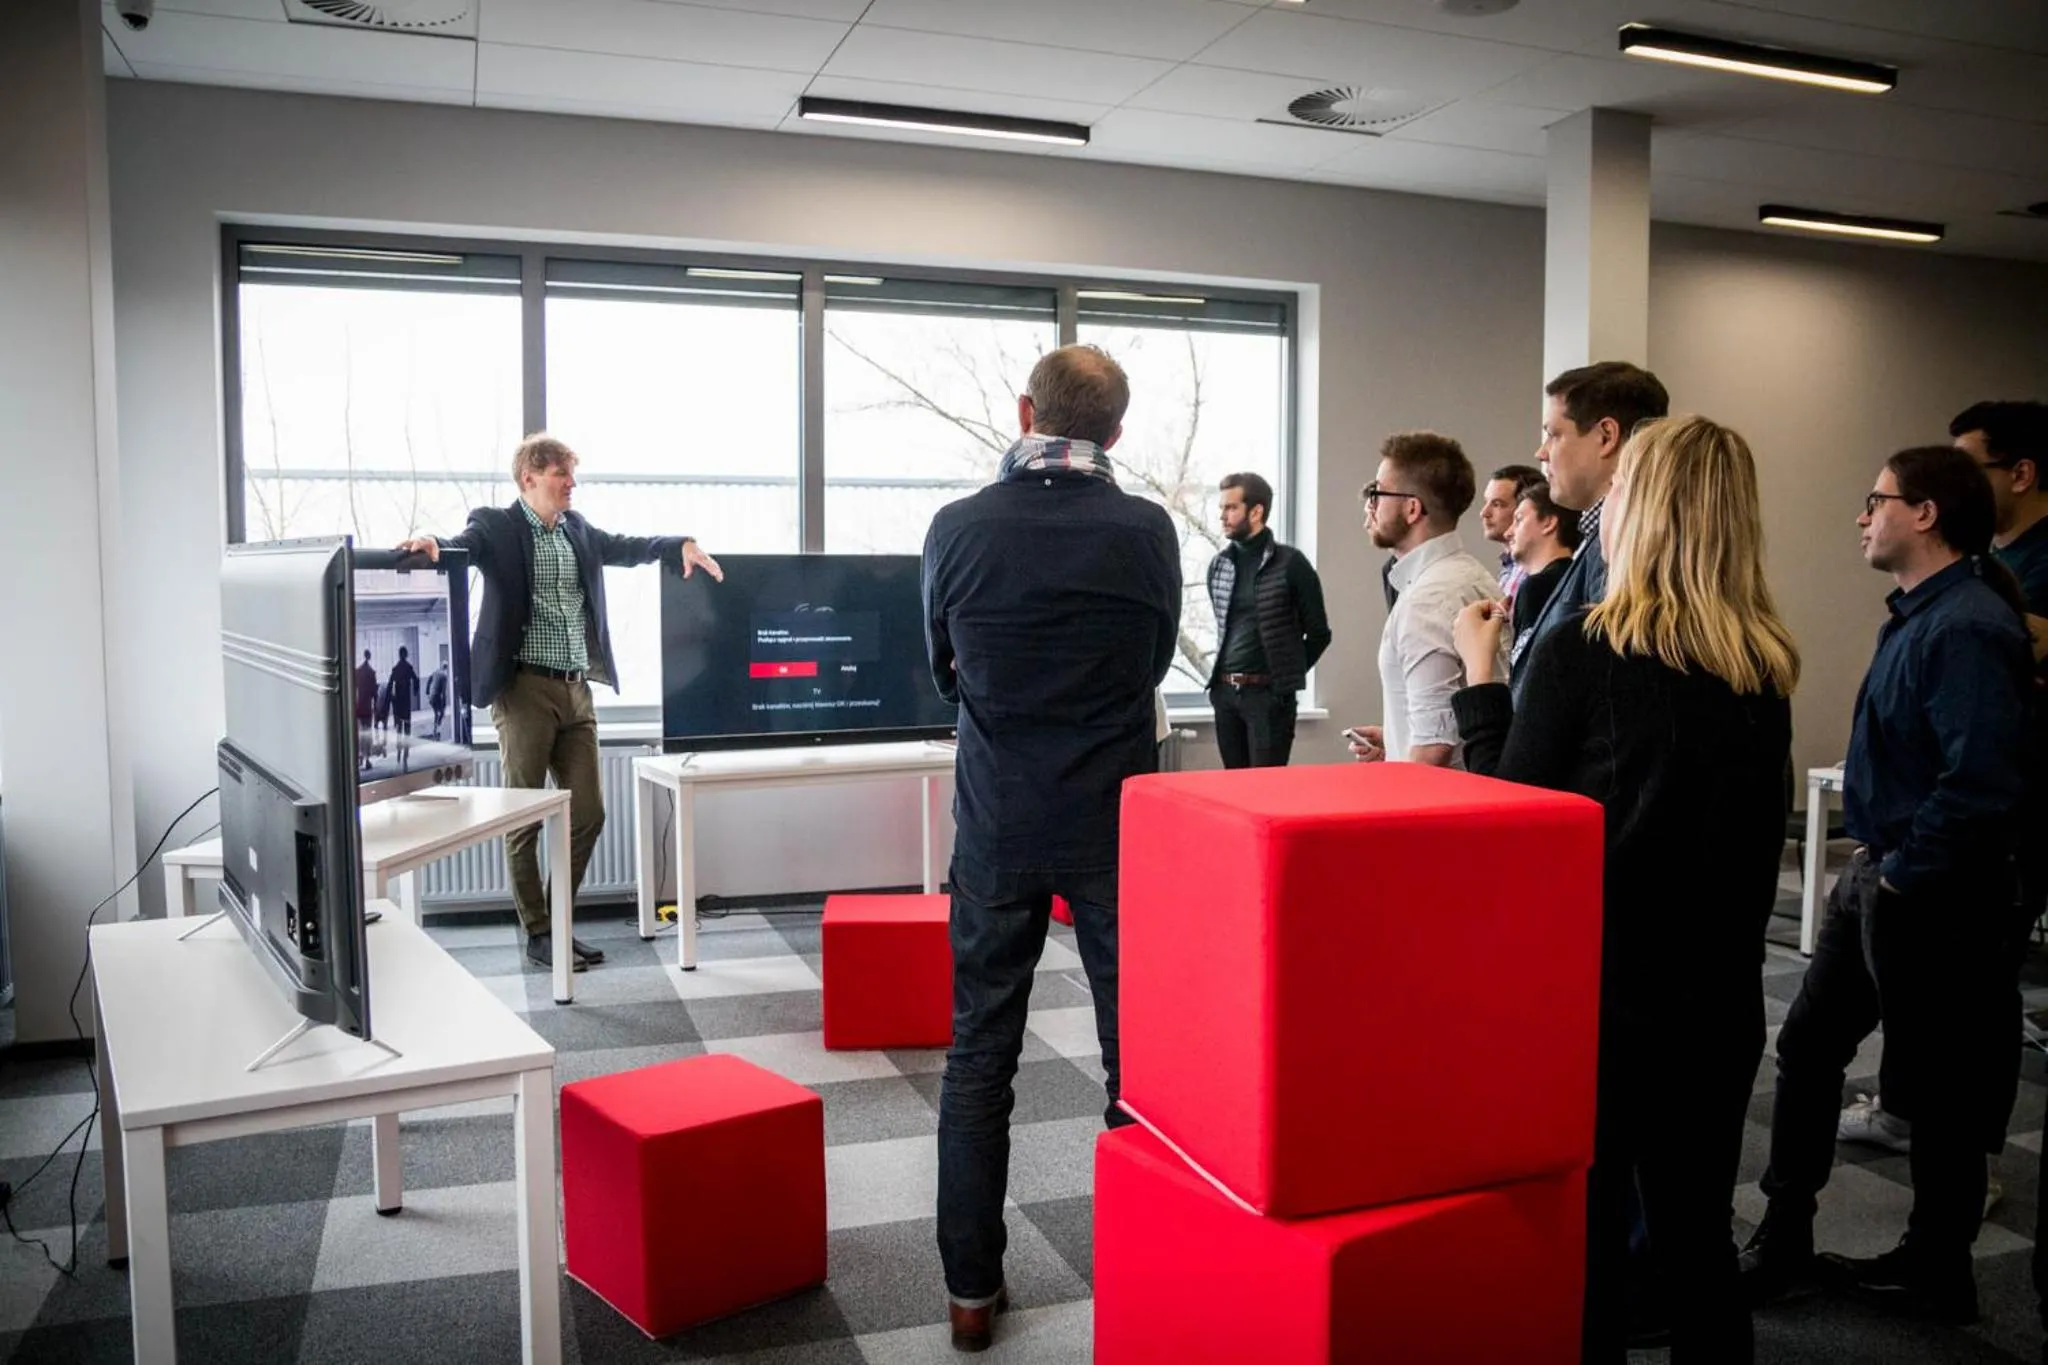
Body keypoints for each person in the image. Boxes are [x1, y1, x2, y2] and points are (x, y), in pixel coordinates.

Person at [1450, 415, 1798, 1363]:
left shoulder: (1582, 654)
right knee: (1697, 1242)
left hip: (1604, 1000)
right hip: (1720, 996)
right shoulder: (1764, 667)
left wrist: (1483, 678)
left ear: (1637, 512)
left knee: (1587, 1245)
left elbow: (1514, 827)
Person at [922, 344, 1179, 1353]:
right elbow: (1152, 659)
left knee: (978, 1055)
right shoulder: (1146, 530)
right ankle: (1145, 1278)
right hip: (1116, 828)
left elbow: (939, 668)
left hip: (995, 823)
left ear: (1026, 410)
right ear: (1114, 432)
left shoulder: (957, 528)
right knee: (1135, 1064)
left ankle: (968, 1295)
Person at [1740, 446, 2030, 1328]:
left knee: (1938, 1090)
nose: (1863, 516)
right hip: (1884, 877)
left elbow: (1983, 780)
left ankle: (1937, 1269)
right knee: (1811, 1045)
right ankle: (1786, 1233)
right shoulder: (1919, 614)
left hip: (1930, 889)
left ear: (1928, 513)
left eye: (1877, 500)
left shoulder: (1969, 625)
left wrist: (1902, 875)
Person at [398, 433, 723, 972]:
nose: (571, 484)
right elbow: (463, 546)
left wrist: (677, 544)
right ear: (529, 477)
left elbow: (627, 545)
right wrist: (431, 542)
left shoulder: (577, 530)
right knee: (523, 813)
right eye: (560, 475)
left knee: (589, 812)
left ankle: (558, 921)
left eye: (572, 475)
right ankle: (539, 930)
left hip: (577, 690)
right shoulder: (497, 525)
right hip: (525, 690)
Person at [1345, 432, 1502, 767]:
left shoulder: (1428, 600)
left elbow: (1434, 748)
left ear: (1412, 508)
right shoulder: (1472, 575)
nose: (1368, 506)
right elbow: (1448, 719)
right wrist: (1395, 737)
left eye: (1376, 494)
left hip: (1440, 809)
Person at [1515, 362, 1670, 701]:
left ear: (1606, 436)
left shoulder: (1620, 557)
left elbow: (1594, 697)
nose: (1541, 452)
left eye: (1554, 434)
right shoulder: (1596, 542)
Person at [1204, 470, 1331, 768]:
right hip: (1225, 694)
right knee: (1234, 792)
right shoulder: (1219, 565)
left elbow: (1319, 634)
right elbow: (1225, 627)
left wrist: (1282, 679)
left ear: (1257, 511)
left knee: (1266, 791)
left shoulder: (1291, 563)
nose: (1223, 516)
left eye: (1231, 507)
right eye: (1221, 508)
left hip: (1268, 698)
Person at [1506, 479, 1581, 672]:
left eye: (1519, 520)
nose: (1508, 532)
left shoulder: (1535, 587)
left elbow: (1524, 673)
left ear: (1548, 522)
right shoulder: (1579, 577)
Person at [1481, 462, 1543, 595]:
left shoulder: (1532, 572)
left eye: (1497, 504)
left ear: (1524, 508)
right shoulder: (1509, 566)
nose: (1484, 513)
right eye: (1486, 502)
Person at [387, 646, 420, 738]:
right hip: (406, 699)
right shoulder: (408, 667)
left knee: (399, 722)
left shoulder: (395, 669)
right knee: (407, 721)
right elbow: (416, 679)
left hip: (398, 700)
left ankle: (399, 743)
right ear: (406, 655)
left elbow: (390, 684)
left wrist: (389, 699)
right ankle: (406, 743)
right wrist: (415, 691)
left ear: (399, 655)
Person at [427, 661, 450, 739]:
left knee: (436, 713)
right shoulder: (444, 676)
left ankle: (435, 729)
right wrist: (444, 701)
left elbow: (429, 680)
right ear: (446, 668)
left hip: (431, 696)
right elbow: (443, 691)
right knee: (442, 712)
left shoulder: (435, 672)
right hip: (437, 696)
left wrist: (427, 691)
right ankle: (436, 729)